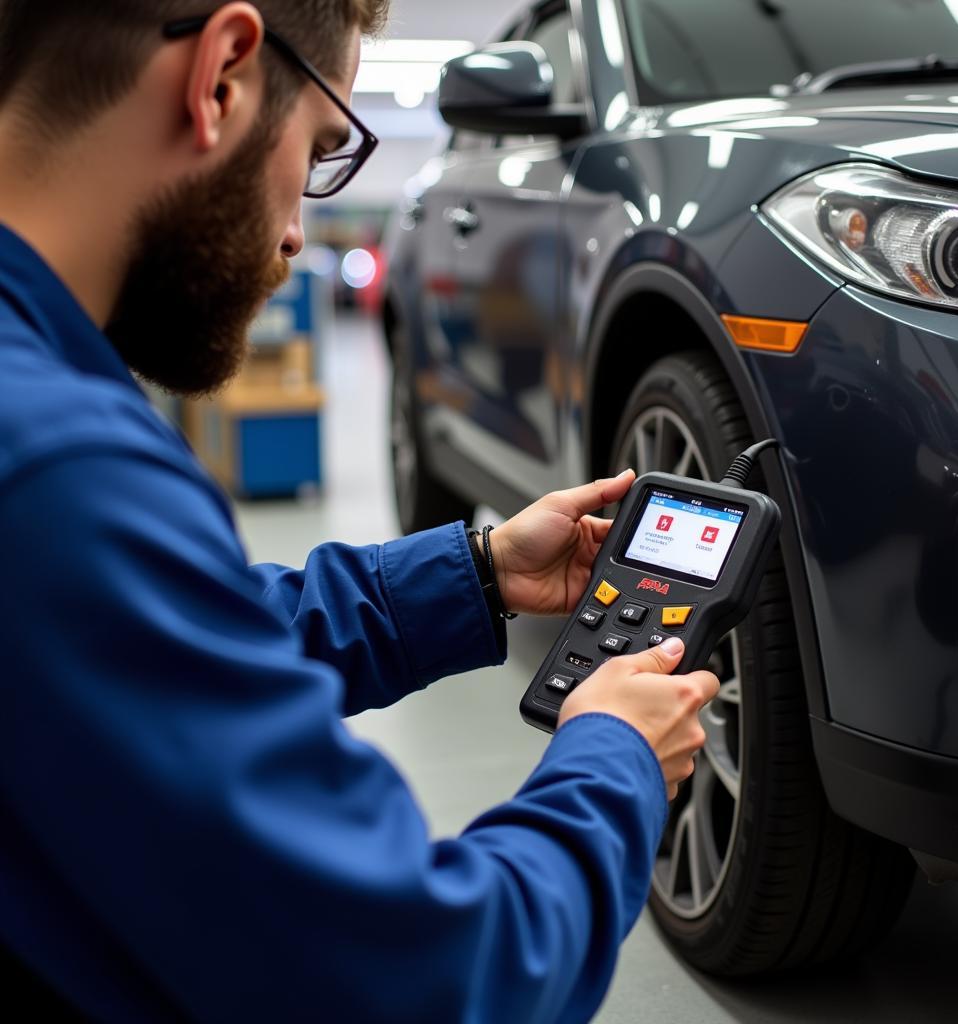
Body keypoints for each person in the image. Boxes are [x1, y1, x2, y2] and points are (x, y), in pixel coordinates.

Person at [0, 2, 719, 1021]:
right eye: (320, 152)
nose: (298, 232)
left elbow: (160, 635)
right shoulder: (61, 474)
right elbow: (441, 978)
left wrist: (475, 572)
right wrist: (615, 758)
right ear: (222, 77)